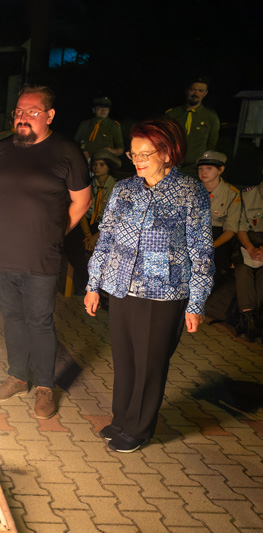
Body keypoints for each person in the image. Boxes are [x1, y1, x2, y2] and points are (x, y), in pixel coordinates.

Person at [85, 118, 214, 453]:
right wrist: (93, 284)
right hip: (121, 286)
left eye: (146, 153)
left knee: (150, 363)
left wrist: (196, 303)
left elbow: (201, 251)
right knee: (125, 359)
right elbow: (106, 239)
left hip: (164, 292)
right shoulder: (124, 189)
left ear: (167, 153)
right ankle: (121, 419)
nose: (138, 160)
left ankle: (139, 429)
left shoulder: (190, 192)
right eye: (133, 153)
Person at [0, 85, 91, 419]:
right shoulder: (2, 149)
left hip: (41, 257)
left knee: (40, 321)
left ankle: (45, 387)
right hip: (3, 254)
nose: (22, 118)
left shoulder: (65, 151)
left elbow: (82, 200)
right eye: (18, 111)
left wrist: (54, 233)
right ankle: (18, 376)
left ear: (49, 115)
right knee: (12, 317)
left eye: (31, 112)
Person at [64, 150, 120, 294]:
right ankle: (85, 281)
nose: (96, 167)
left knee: (103, 246)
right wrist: (88, 235)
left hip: (105, 225)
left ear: (109, 167)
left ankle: (97, 286)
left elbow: (113, 218)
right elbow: (81, 209)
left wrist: (95, 237)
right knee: (71, 241)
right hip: (87, 224)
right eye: (95, 164)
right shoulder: (88, 184)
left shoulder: (116, 187)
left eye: (101, 164)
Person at [197, 150, 240, 284]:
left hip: (217, 237)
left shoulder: (232, 194)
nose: (204, 172)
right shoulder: (192, 190)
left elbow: (230, 230)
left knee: (211, 271)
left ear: (221, 170)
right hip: (195, 234)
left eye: (209, 168)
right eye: (201, 169)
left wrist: (211, 246)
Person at [230, 170, 263, 340]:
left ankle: (252, 319)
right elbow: (240, 227)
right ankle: (248, 319)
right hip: (247, 244)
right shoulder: (249, 195)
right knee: (243, 271)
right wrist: (251, 249)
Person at [165, 77, 220, 176]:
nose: (196, 93)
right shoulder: (172, 114)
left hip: (195, 170)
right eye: (193, 90)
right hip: (172, 167)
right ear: (187, 90)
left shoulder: (210, 117)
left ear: (205, 93)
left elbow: (211, 145)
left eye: (200, 91)